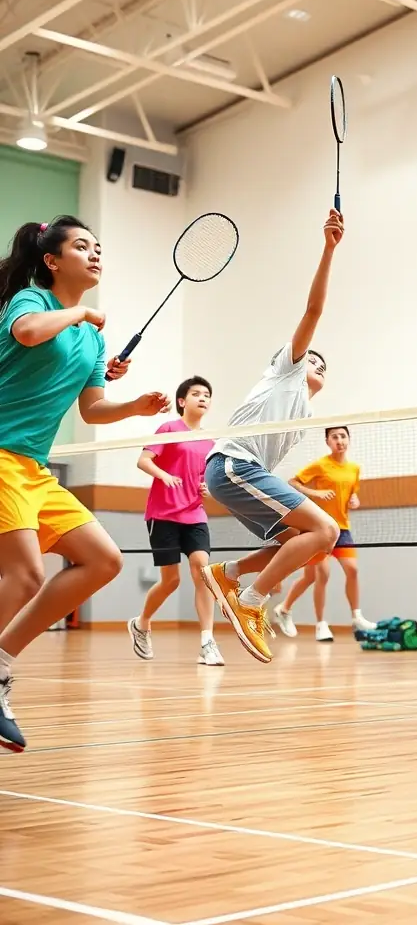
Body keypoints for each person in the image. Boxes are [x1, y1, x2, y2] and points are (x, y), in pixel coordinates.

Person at [0, 216, 170, 753]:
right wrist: (80, 314)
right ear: (52, 261)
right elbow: (26, 335)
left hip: (34, 468)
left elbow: (93, 410)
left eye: (99, 247)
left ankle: (0, 668)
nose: (95, 255)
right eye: (82, 246)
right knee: (25, 574)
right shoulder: (34, 302)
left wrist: (136, 408)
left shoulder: (93, 338)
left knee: (103, 560)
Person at [202, 209, 345, 664]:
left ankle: (229, 573)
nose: (317, 367)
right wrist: (329, 248)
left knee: (298, 543)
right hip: (232, 465)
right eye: (313, 362)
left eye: (326, 368)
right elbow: (314, 310)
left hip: (241, 471)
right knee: (326, 530)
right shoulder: (286, 372)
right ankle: (251, 601)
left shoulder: (303, 410)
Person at [128, 376, 224, 666]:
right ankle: (141, 623)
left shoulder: (211, 441)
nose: (203, 398)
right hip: (163, 514)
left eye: (207, 394)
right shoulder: (168, 428)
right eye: (196, 393)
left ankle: (207, 641)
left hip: (195, 513)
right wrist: (163, 475)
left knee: (203, 572)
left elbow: (209, 477)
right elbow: (144, 460)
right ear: (182, 401)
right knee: (171, 581)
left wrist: (210, 488)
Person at [272, 427, 377, 641]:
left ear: (349, 439)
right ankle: (320, 624)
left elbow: (352, 491)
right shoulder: (320, 465)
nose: (340, 440)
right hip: (318, 528)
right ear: (328, 441)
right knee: (321, 575)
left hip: (343, 529)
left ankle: (356, 616)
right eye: (335, 437)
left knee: (352, 570)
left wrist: (354, 499)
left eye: (343, 436)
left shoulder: (354, 468)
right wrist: (316, 492)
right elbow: (293, 482)